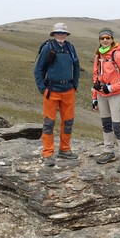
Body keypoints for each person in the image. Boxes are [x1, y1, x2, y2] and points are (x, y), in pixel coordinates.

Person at [34, 22, 80, 167]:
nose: (61, 35)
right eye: (58, 33)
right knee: (49, 123)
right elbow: (38, 69)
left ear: (66, 34)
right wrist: (43, 88)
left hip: (68, 90)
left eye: (63, 33)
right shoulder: (48, 47)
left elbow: (77, 66)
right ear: (53, 34)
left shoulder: (70, 47)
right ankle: (48, 153)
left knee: (68, 122)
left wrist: (75, 85)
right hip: (52, 91)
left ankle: (64, 149)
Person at [91, 27, 120, 173]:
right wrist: (95, 97)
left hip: (116, 96)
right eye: (102, 38)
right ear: (99, 40)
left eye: (107, 38)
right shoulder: (99, 55)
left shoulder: (119, 54)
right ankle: (108, 151)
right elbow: (96, 76)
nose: (105, 40)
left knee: (117, 127)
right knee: (106, 124)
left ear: (112, 39)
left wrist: (112, 88)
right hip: (102, 95)